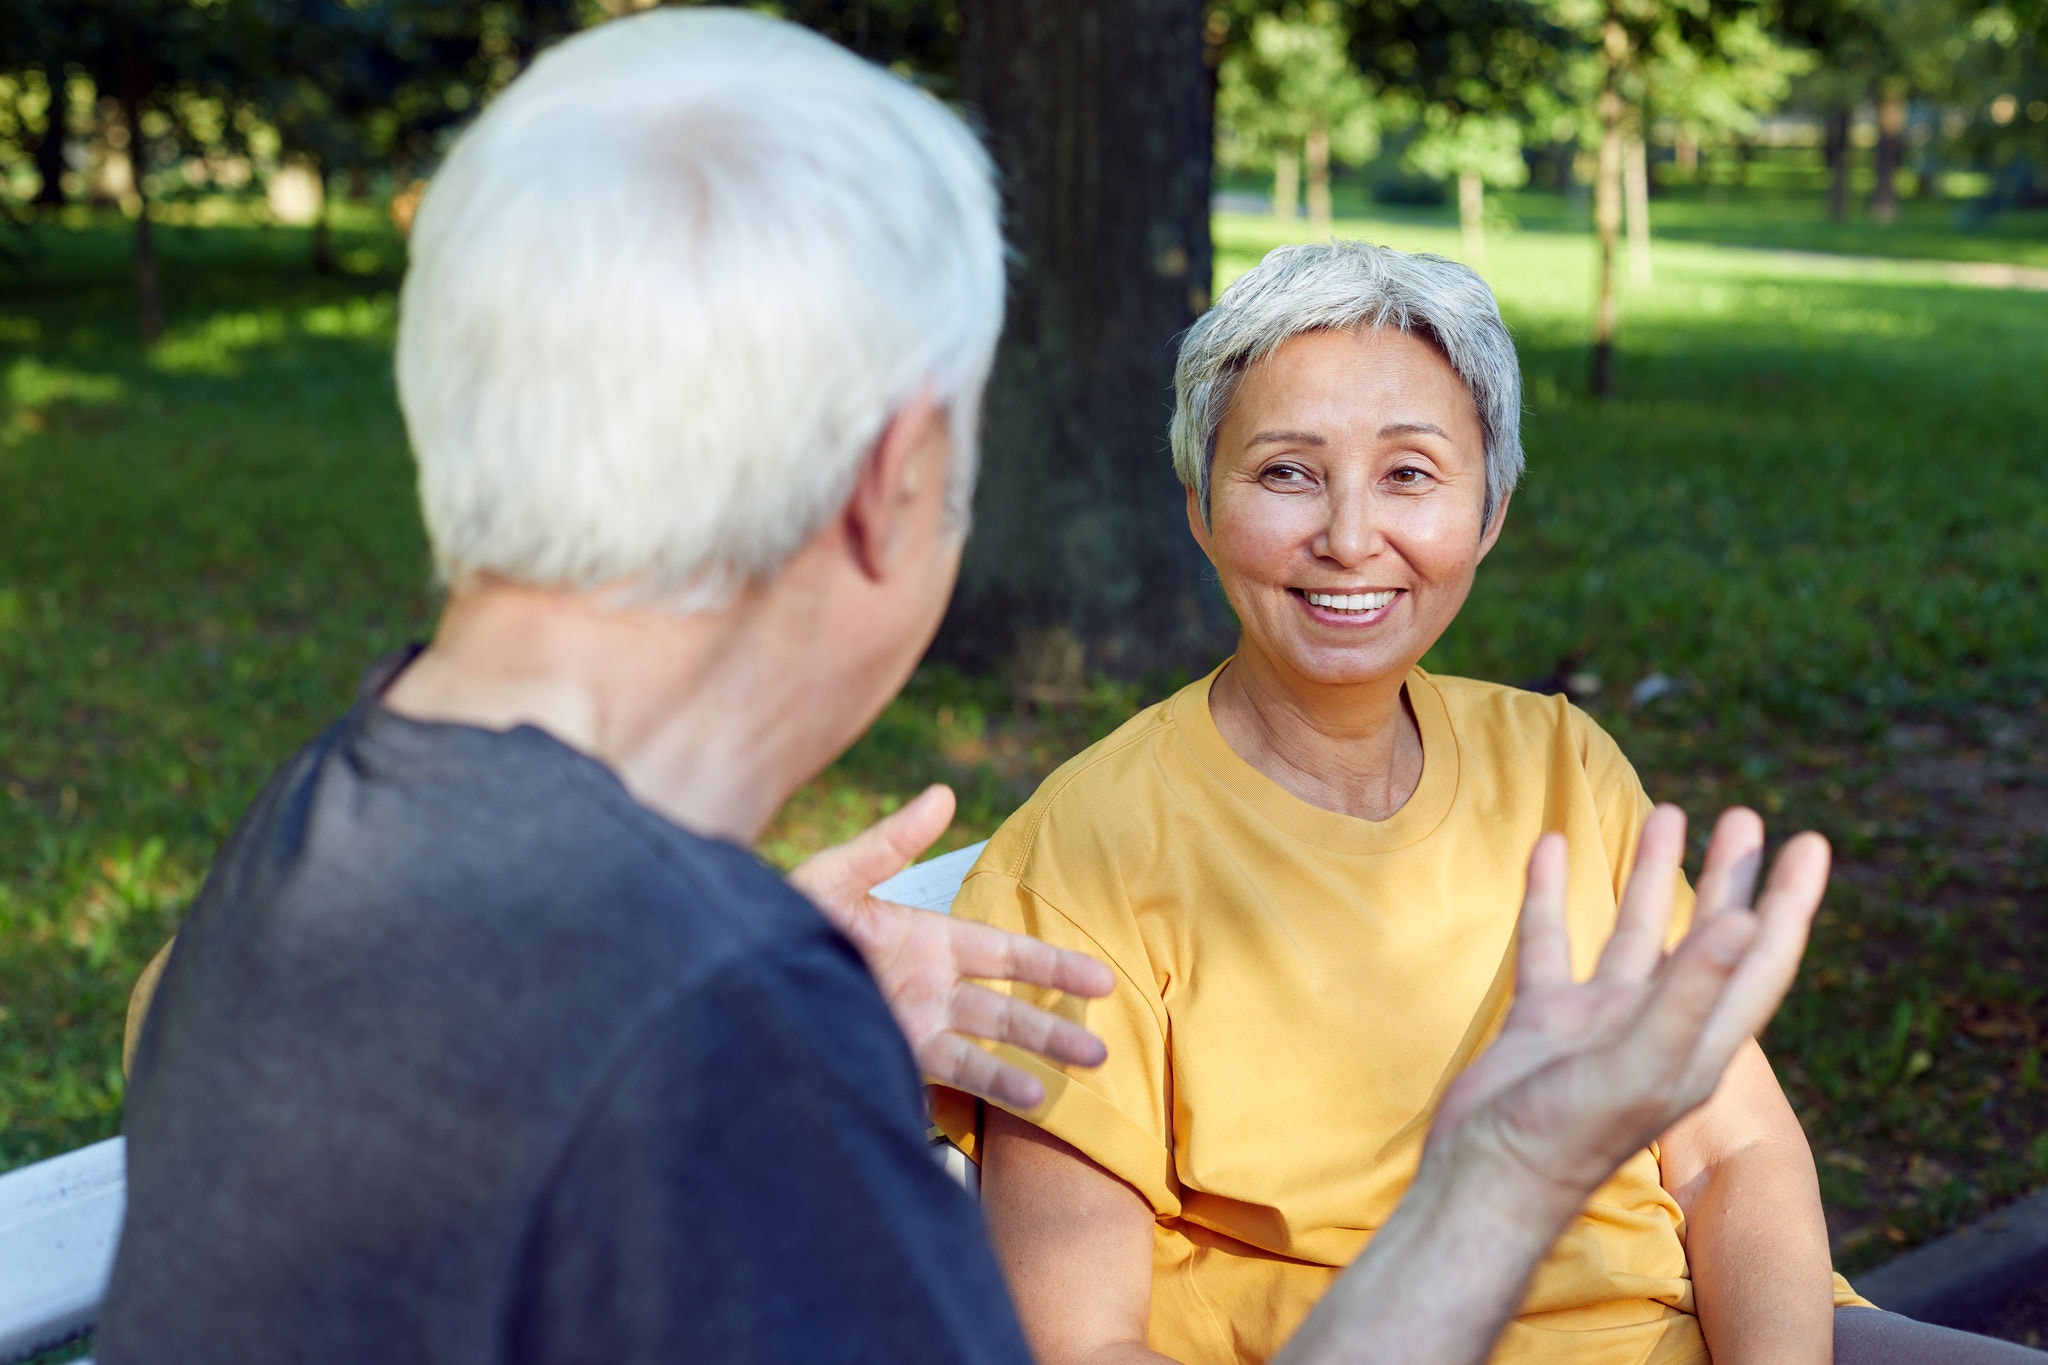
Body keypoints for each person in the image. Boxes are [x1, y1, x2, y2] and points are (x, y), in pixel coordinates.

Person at [101, 11, 1838, 1364]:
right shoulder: (714, 1056)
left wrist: (742, 988)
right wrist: (1505, 1172)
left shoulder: (297, 879)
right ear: (893, 473)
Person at [930, 243, 2046, 1365]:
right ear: (1198, 506)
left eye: (1410, 474)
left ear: (1489, 512)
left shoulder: (1560, 763)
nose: (1350, 536)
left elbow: (1730, 1156)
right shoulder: (1078, 861)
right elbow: (1079, 1342)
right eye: (1285, 473)